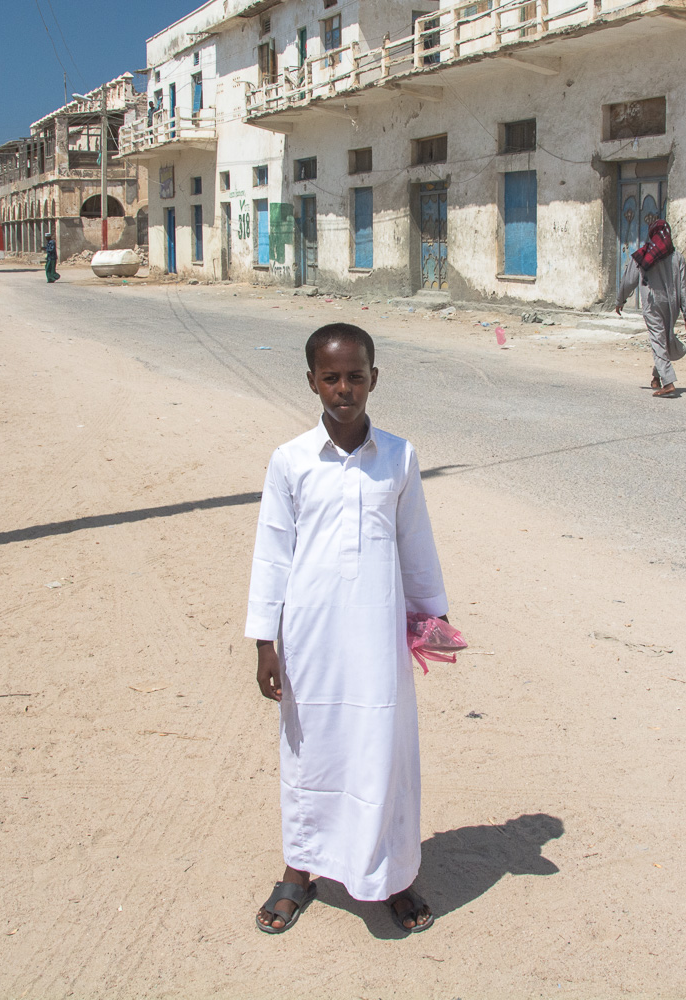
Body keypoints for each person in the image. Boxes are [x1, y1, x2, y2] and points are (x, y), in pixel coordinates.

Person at [246, 323, 450, 936]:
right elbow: (272, 552)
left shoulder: (400, 456)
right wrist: (265, 642)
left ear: (374, 380)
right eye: (330, 378)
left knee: (383, 752)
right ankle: (299, 870)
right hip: (311, 638)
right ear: (312, 382)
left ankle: (392, 875)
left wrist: (431, 616)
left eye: (355, 376)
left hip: (380, 637)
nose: (343, 389)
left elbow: (416, 543)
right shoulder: (291, 460)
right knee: (312, 751)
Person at [615, 219, 686, 397]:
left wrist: (620, 299)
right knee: (663, 339)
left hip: (652, 304)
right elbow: (684, 286)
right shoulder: (677, 257)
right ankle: (656, 377)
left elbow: (629, 280)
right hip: (672, 305)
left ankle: (668, 382)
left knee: (659, 340)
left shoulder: (644, 254)